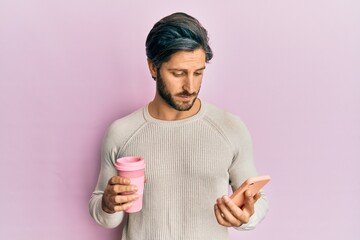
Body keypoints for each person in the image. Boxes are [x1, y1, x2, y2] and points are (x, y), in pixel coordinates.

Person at [89, 12, 269, 240]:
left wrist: (247, 216)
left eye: (198, 73)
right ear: (153, 68)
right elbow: (103, 212)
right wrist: (107, 204)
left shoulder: (230, 128)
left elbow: (258, 201)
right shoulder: (122, 132)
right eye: (178, 73)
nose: (190, 87)